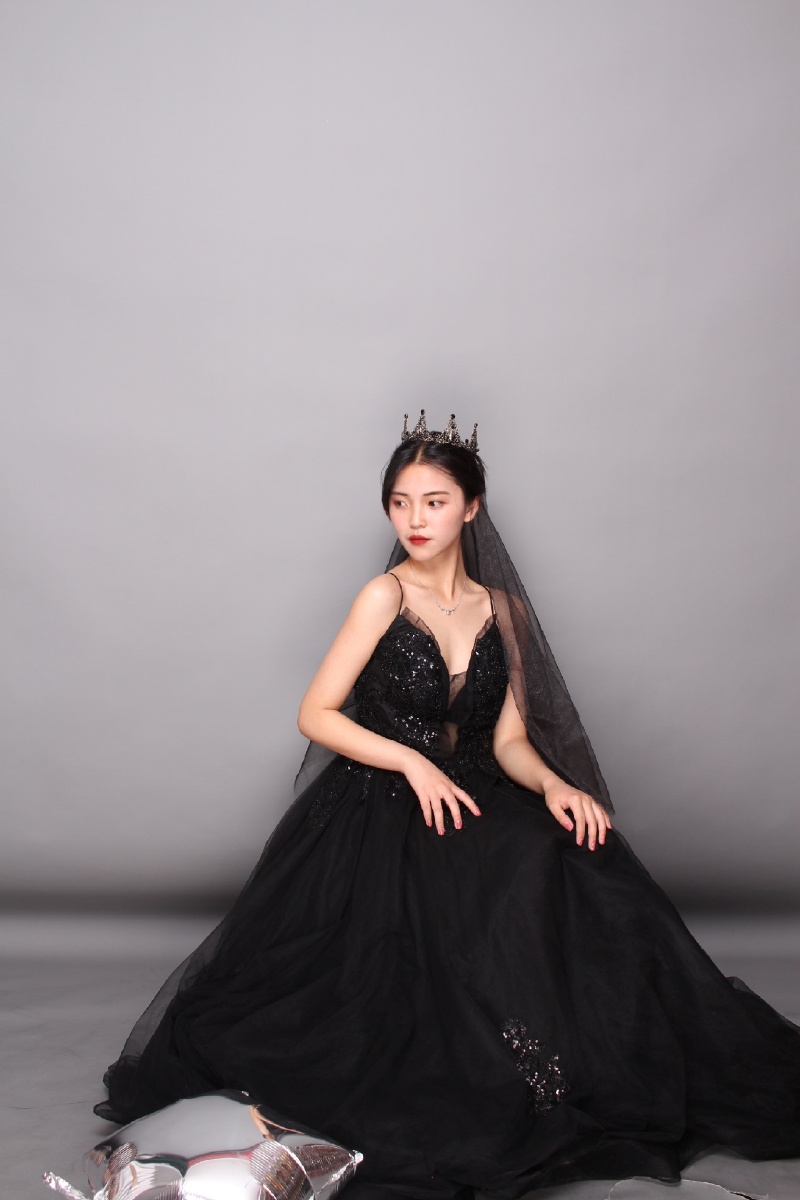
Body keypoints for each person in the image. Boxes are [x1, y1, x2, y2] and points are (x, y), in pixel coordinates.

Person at [95, 413, 800, 1198]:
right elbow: (316, 713)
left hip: (475, 792)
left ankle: (561, 1065)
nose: (415, 519)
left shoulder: (506, 612)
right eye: (400, 502)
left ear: (472, 506)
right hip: (380, 807)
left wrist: (555, 784)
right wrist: (410, 761)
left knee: (572, 863)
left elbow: (509, 742)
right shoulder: (383, 596)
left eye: (434, 502)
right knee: (417, 963)